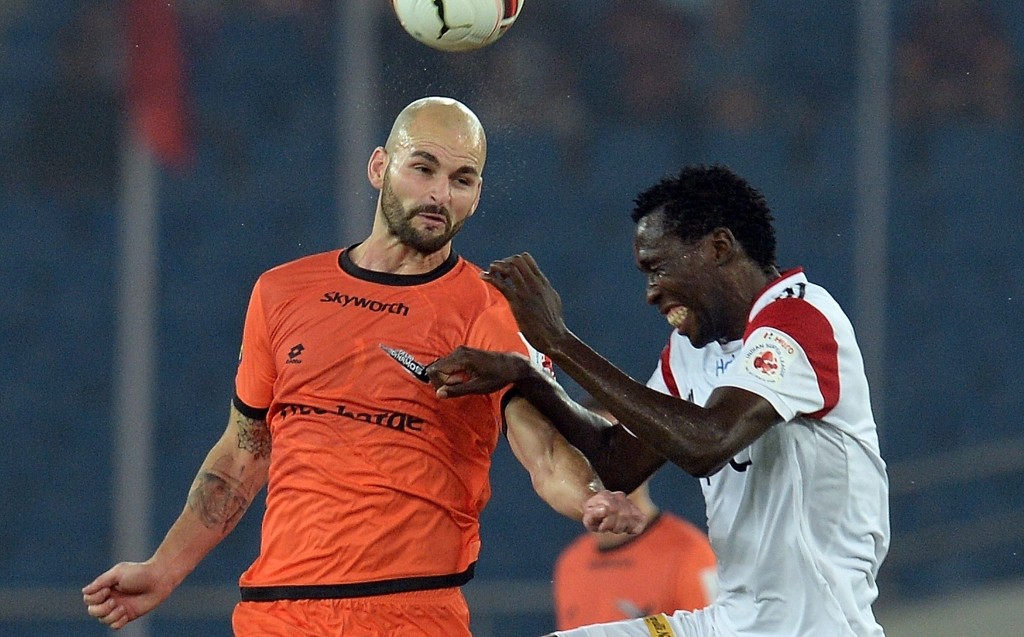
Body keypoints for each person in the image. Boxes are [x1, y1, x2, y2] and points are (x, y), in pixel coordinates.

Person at [82, 96, 645, 635]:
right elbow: (242, 454)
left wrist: (589, 497)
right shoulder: (282, 293)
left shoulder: (490, 309)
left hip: (411, 616)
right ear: (379, 167)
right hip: (277, 617)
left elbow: (543, 450)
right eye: (422, 168)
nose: (439, 194)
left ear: (477, 196)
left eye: (462, 179)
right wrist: (164, 569)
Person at [428, 164, 890, 637]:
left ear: (719, 248)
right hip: (728, 623)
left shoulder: (800, 317)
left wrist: (560, 343)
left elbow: (708, 442)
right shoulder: (691, 350)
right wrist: (528, 377)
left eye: (658, 268)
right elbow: (619, 462)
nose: (650, 293)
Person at [553, 399, 717, 631]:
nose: (603, 461)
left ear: (645, 458)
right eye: (587, 447)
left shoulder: (691, 554)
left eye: (617, 448)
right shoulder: (571, 564)